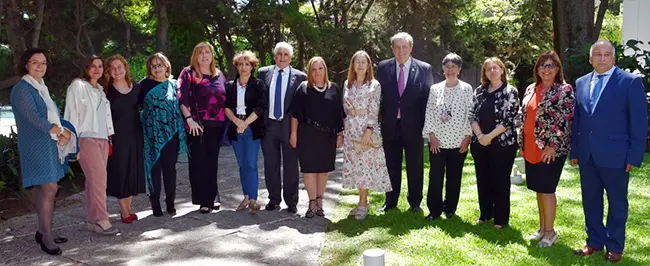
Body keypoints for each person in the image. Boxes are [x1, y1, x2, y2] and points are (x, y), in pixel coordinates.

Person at [571, 40, 647, 263]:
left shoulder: (630, 82)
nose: (602, 58)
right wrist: (575, 150)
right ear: (591, 58)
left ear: (614, 58)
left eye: (606, 55)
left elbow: (639, 123)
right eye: (598, 54)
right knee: (591, 200)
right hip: (587, 155)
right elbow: (578, 121)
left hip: (617, 156)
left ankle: (615, 246)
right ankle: (594, 241)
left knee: (617, 203)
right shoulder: (582, 82)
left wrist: (634, 155)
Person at [11, 48, 77, 255]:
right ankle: (46, 236)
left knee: (44, 188)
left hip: (47, 143)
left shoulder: (40, 87)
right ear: (25, 64)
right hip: (35, 144)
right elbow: (33, 118)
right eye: (35, 62)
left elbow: (52, 115)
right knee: (50, 188)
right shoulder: (22, 88)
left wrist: (63, 131)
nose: (40, 66)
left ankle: (43, 231)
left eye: (44, 63)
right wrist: (60, 132)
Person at [519, 51, 575, 247]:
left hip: (550, 149)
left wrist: (552, 144)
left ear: (557, 69)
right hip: (530, 146)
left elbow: (565, 119)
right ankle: (542, 228)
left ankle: (550, 233)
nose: (546, 69)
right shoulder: (530, 89)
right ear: (537, 69)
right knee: (538, 189)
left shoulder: (564, 90)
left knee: (547, 188)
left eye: (551, 65)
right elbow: (525, 117)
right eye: (543, 65)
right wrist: (523, 144)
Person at [376, 32, 434, 212]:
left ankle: (415, 202)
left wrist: (427, 127)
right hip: (390, 125)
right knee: (391, 164)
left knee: (415, 165)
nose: (401, 51)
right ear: (392, 49)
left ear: (411, 48)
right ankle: (390, 201)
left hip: (414, 126)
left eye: (405, 47)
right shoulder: (383, 67)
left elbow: (428, 99)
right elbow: (379, 97)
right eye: (397, 47)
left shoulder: (424, 68)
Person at [64, 55, 118, 235]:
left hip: (102, 139)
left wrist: (109, 137)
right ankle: (103, 219)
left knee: (93, 181)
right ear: (86, 68)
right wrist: (73, 143)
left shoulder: (100, 89)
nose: (97, 69)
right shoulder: (78, 86)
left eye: (100, 66)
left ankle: (92, 219)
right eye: (93, 66)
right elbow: (70, 114)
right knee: (99, 179)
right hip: (86, 138)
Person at [290, 56, 345, 218]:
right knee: (309, 171)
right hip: (307, 135)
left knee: (323, 171)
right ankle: (312, 202)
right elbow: (295, 114)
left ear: (325, 70)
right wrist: (293, 134)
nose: (317, 72)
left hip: (327, 137)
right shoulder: (303, 88)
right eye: (313, 69)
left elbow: (338, 114)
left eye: (320, 68)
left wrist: (340, 133)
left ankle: (320, 202)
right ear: (309, 71)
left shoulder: (333, 88)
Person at [469, 57, 520, 229]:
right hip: (479, 143)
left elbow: (509, 119)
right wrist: (480, 135)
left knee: (500, 181)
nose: (492, 71)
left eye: (495, 68)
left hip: (502, 144)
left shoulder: (510, 91)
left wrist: (489, 136)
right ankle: (485, 215)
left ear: (502, 70)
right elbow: (472, 116)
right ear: (485, 73)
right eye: (488, 69)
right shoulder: (479, 91)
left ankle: (500, 219)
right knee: (483, 180)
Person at [422, 53, 473, 221]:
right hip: (438, 141)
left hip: (459, 141)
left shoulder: (466, 89)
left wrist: (467, 137)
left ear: (459, 69)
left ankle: (450, 208)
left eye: (454, 67)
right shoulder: (435, 89)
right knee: (435, 177)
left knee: (454, 177)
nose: (450, 70)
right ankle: (434, 211)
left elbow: (470, 114)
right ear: (443, 68)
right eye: (447, 66)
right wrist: (431, 136)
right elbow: (429, 112)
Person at [178, 42, 227, 213]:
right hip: (196, 124)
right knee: (198, 162)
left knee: (212, 161)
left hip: (217, 125)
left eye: (207, 52)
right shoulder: (188, 73)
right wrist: (189, 119)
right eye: (200, 53)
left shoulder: (219, 74)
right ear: (195, 56)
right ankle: (203, 200)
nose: (204, 55)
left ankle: (213, 195)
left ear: (212, 55)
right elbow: (181, 97)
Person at [258, 42, 307, 214]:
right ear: (274, 56)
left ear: (291, 57)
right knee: (270, 165)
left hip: (289, 127)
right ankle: (274, 199)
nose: (282, 57)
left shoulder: (300, 77)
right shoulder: (263, 73)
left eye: (286, 54)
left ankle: (292, 201)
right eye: (279, 54)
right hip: (269, 126)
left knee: (291, 165)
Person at [342, 51, 391, 220]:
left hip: (366, 128)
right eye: (357, 62)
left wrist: (369, 129)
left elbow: (375, 108)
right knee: (356, 166)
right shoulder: (348, 84)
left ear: (368, 65)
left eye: (364, 62)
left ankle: (363, 203)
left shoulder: (374, 85)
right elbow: (344, 107)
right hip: (351, 129)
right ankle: (361, 200)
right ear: (353, 65)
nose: (361, 65)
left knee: (365, 166)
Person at [140, 52, 186, 217]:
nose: (156, 68)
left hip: (171, 135)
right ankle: (155, 204)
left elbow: (181, 107)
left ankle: (170, 203)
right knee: (154, 169)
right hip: (152, 135)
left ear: (166, 66)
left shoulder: (175, 85)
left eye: (159, 64)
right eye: (153, 66)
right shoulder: (143, 85)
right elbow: (135, 107)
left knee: (170, 170)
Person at [103, 55, 145, 223]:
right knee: (120, 172)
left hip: (135, 135)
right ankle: (124, 211)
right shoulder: (106, 90)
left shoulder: (136, 88)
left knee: (132, 172)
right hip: (116, 137)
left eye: (119, 67)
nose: (117, 71)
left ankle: (128, 209)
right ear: (109, 72)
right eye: (113, 68)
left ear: (125, 67)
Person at [225, 51, 267, 214]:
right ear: (236, 66)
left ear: (252, 66)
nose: (244, 67)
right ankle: (246, 197)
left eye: (247, 64)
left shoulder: (258, 84)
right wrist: (237, 122)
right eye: (241, 64)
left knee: (251, 163)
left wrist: (245, 123)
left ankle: (254, 199)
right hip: (236, 128)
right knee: (242, 164)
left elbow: (261, 106)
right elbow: (227, 107)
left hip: (252, 128)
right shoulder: (229, 85)